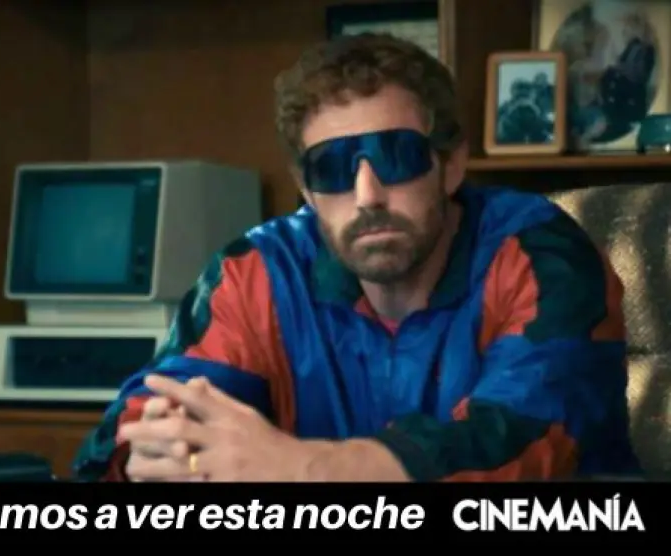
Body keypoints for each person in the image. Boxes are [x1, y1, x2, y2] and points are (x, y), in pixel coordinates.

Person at [72, 33, 640, 482]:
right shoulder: (258, 272)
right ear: (306, 188)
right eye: (332, 167)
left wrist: (304, 469)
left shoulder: (540, 255)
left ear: (451, 165)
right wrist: (156, 449)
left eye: (396, 156)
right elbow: (138, 423)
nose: (368, 195)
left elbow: (523, 440)